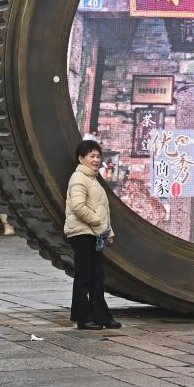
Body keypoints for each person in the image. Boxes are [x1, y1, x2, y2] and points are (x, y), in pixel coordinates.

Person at [65, 139, 121, 330]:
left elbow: (101, 210)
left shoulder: (92, 179)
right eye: (92, 156)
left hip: (93, 233)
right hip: (81, 233)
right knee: (84, 277)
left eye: (98, 156)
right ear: (81, 159)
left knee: (97, 277)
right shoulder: (78, 178)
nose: (96, 160)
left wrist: (108, 232)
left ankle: (101, 317)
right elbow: (78, 207)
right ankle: (83, 318)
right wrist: (98, 223)